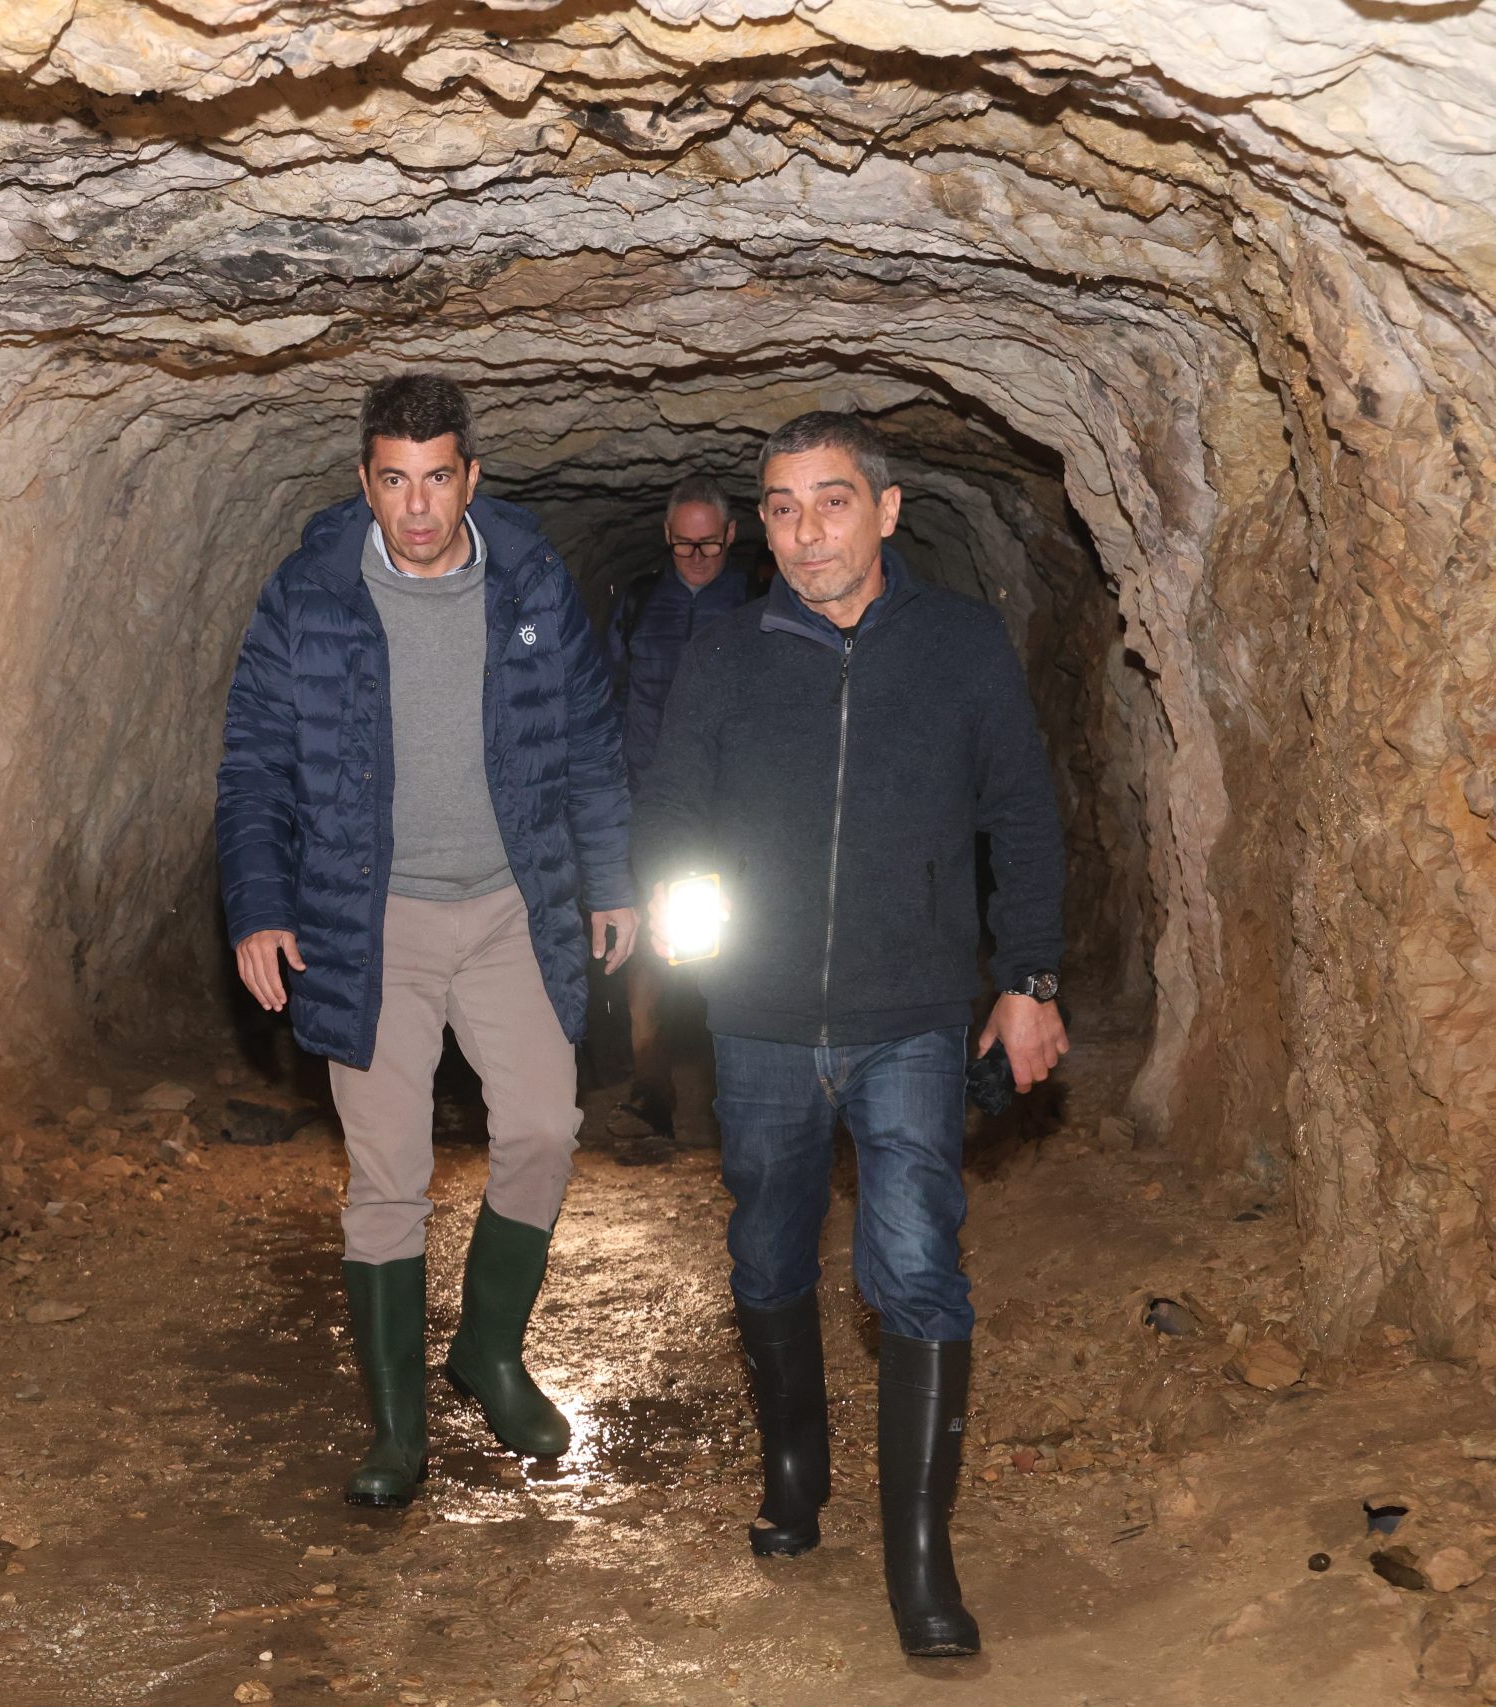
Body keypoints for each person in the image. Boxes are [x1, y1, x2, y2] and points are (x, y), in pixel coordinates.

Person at [631, 411, 1067, 1657]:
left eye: (829, 502)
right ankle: (792, 1463)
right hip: (761, 1018)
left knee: (917, 1261)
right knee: (766, 1246)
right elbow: (669, 801)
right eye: (780, 507)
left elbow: (1022, 815)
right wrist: (677, 905)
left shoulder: (959, 647)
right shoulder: (725, 656)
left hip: (911, 1016)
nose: (804, 529)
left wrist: (1028, 977)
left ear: (883, 512)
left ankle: (918, 1559)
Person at [215, 373, 638, 1507]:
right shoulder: (309, 596)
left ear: (471, 478)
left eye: (436, 478)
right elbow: (254, 758)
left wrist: (613, 878)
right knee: (387, 1172)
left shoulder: (533, 581)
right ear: (364, 482)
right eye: (392, 481)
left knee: (545, 1126)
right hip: (372, 914)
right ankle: (396, 1431)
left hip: (511, 903)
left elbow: (590, 740)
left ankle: (488, 1353)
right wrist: (259, 904)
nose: (415, 505)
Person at [603, 473, 750, 1145]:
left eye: (709, 546)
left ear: (731, 536)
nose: (696, 557)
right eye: (684, 544)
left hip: (731, 810)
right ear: (667, 536)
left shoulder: (760, 602)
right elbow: (605, 699)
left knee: (743, 950)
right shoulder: (638, 603)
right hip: (643, 801)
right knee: (650, 958)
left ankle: (742, 1095)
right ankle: (652, 1089)